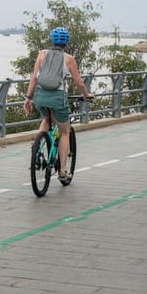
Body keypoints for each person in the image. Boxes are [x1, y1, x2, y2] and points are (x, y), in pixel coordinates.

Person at [23, 27, 93, 181]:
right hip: (57, 98)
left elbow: (34, 78)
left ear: (52, 40)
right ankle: (62, 171)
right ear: (66, 42)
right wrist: (86, 94)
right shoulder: (69, 59)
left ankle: (37, 152)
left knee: (46, 119)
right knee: (65, 132)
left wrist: (28, 97)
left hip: (40, 97)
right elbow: (79, 82)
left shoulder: (42, 54)